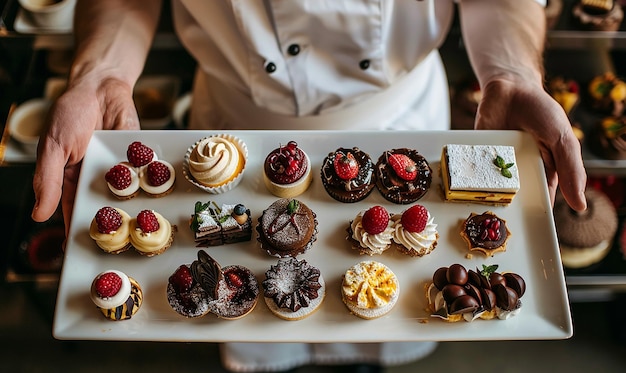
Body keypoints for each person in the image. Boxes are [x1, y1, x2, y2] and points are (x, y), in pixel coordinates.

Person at [31, 1, 587, 372]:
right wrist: (100, 74)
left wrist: (513, 73)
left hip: (397, 122)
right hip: (233, 136)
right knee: (253, 323)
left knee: (392, 318)